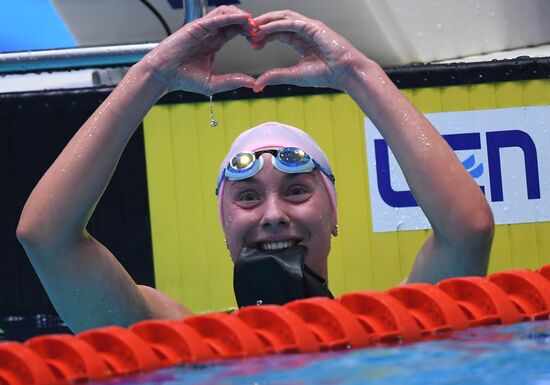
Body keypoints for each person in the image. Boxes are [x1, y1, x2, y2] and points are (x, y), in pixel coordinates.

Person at [16, 6, 494, 333]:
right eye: (247, 196)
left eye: (297, 191)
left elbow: (467, 232)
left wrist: (355, 71)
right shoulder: (178, 341)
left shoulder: (387, 330)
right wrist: (150, 77)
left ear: (333, 215)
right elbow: (47, 237)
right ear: (224, 223)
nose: (272, 214)